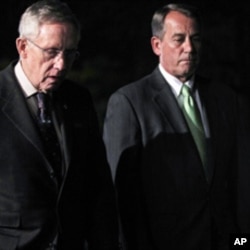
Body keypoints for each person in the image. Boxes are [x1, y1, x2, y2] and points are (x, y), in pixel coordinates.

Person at [103, 3, 238, 250]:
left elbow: (235, 179)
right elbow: (121, 196)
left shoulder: (223, 98)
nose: (189, 48)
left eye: (195, 39)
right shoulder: (129, 102)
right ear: (157, 45)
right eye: (179, 39)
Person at [0, 0, 119, 249]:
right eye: (52, 52)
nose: (62, 65)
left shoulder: (78, 100)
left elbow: (97, 186)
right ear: (23, 47)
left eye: (70, 53)